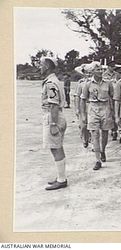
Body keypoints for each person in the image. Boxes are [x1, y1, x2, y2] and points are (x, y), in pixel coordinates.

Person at [80, 62, 114, 171]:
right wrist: (83, 115)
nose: (100, 72)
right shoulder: (88, 84)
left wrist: (113, 112)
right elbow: (83, 99)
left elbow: (113, 97)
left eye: (101, 70)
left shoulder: (108, 83)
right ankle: (97, 160)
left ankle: (102, 150)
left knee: (105, 134)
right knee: (94, 134)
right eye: (98, 70)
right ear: (93, 71)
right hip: (93, 109)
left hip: (105, 108)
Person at [40, 57, 68, 190]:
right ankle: (60, 177)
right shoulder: (53, 80)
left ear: (47, 67)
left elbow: (54, 105)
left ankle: (62, 180)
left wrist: (53, 124)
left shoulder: (51, 82)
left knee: (56, 148)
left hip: (53, 117)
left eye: (41, 65)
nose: (40, 67)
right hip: (54, 116)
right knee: (57, 147)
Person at [74, 64, 91, 148]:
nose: (88, 74)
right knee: (83, 125)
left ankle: (92, 141)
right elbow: (77, 96)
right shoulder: (81, 83)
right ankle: (85, 139)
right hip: (83, 105)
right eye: (86, 73)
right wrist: (77, 108)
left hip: (92, 105)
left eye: (90, 72)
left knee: (93, 124)